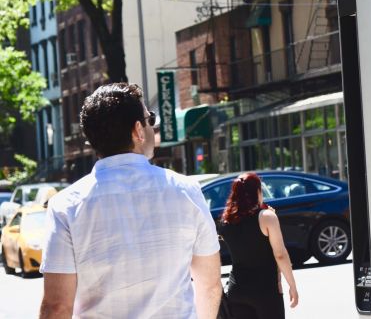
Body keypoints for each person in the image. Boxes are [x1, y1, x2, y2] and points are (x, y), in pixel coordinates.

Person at [39, 83, 222, 319]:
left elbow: (57, 307)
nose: (151, 126)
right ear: (138, 130)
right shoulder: (186, 191)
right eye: (149, 119)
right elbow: (210, 286)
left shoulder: (66, 205)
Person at [218, 172, 299, 319]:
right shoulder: (267, 217)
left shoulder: (226, 221)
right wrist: (292, 285)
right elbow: (280, 254)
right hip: (265, 291)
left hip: (237, 289)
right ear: (257, 192)